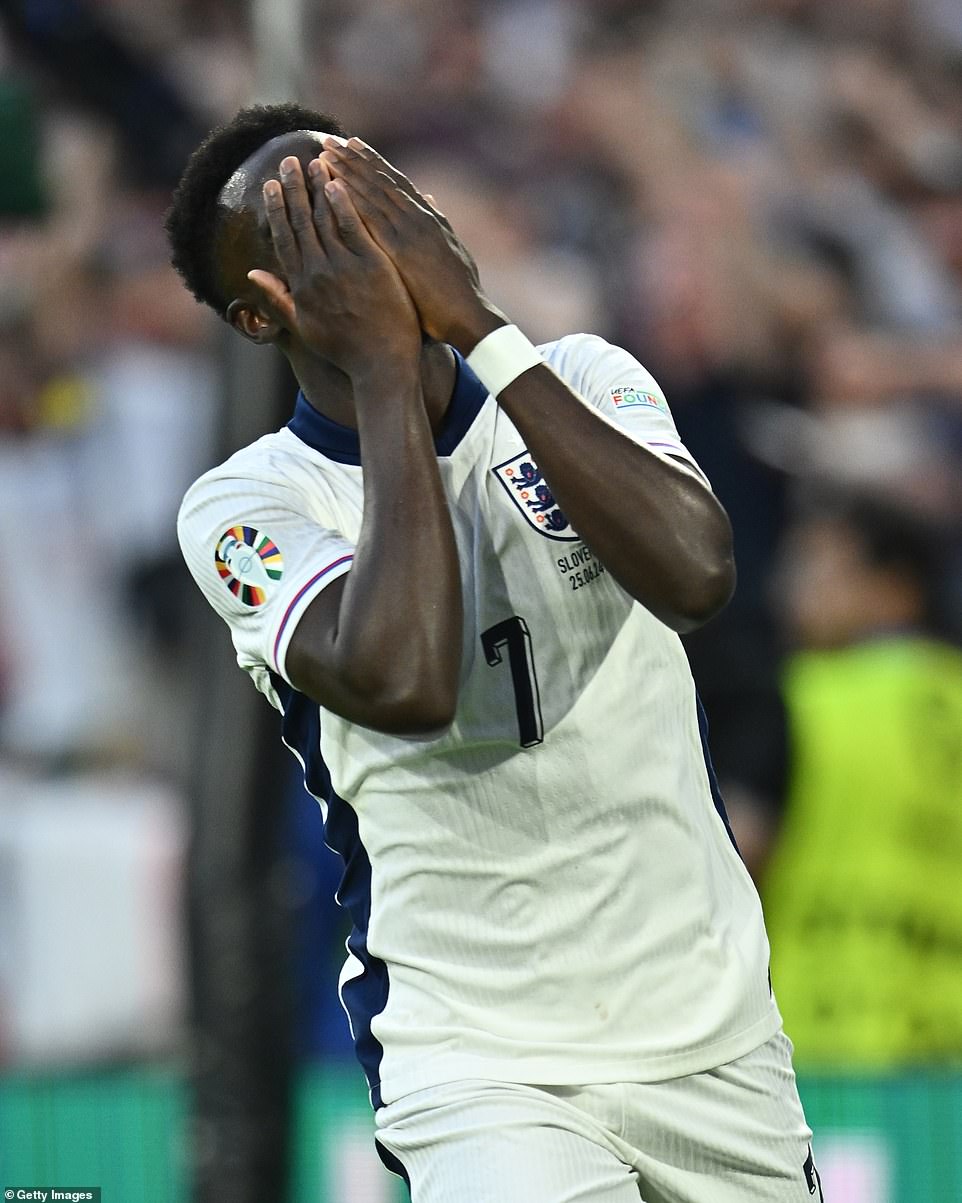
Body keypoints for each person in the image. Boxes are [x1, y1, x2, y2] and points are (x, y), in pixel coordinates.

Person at [169, 103, 822, 1203]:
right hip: (477, 1059)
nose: (366, 241)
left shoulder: (578, 373)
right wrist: (382, 368)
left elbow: (695, 577)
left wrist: (477, 325)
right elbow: (405, 680)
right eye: (315, 234)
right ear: (257, 313)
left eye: (366, 200)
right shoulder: (245, 507)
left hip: (709, 1027)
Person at [761, 497, 962, 1069]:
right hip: (948, 1057)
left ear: (895, 588)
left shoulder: (803, 696)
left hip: (824, 1044)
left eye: (817, 569)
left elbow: (741, 853)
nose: (789, 591)